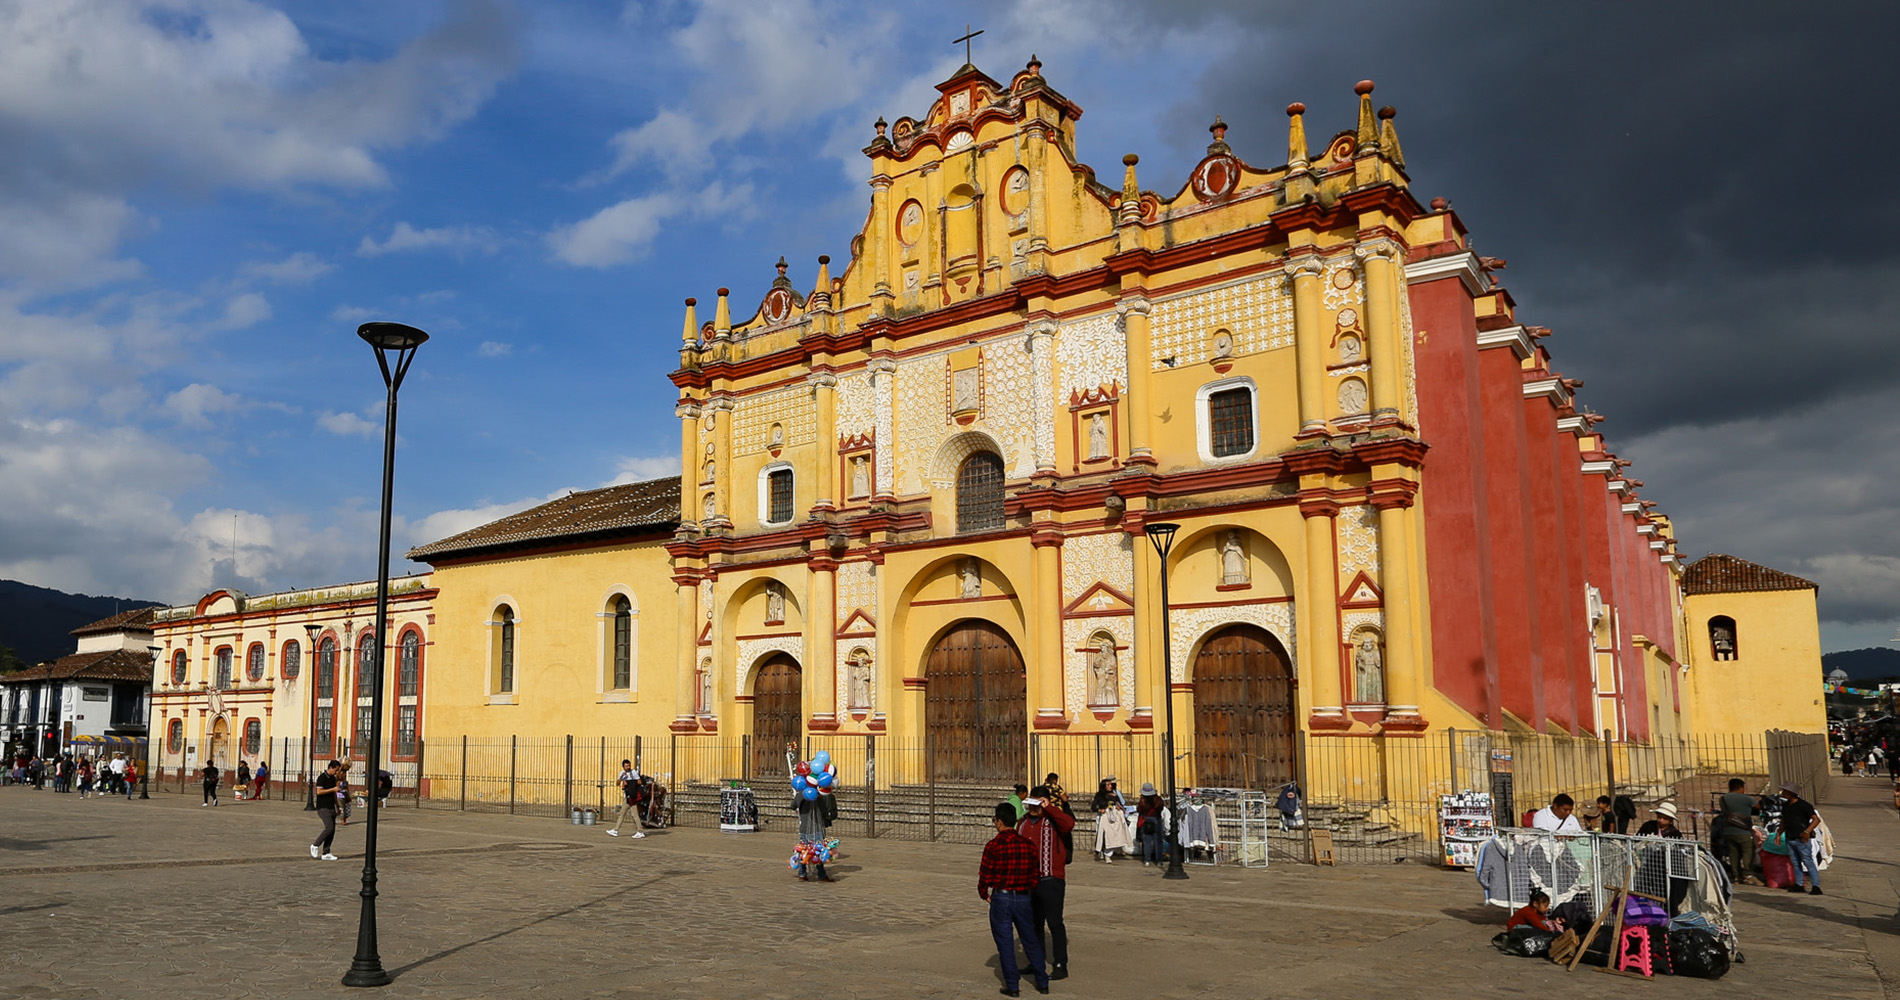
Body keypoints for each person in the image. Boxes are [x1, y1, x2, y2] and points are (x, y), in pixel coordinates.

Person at [978, 801, 1049, 997]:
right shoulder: (1028, 845)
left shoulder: (994, 846)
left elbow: (985, 874)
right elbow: (1036, 874)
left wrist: (984, 894)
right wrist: (1027, 891)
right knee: (1030, 940)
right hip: (1024, 897)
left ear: (999, 822)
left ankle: (1012, 985)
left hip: (1002, 897)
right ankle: (1042, 981)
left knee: (1005, 943)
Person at [1018, 790, 1075, 982]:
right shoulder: (1023, 822)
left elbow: (1069, 824)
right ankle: (1035, 961)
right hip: (1028, 881)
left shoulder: (1054, 820)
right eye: (1031, 804)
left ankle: (1060, 963)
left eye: (1037, 804)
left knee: (1055, 922)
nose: (1033, 808)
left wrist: (1048, 807)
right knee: (1034, 924)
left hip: (1051, 879)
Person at [1779, 783, 1822, 895]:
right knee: (1795, 862)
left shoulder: (1804, 806)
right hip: (1790, 837)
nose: (1783, 793)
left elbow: (1816, 820)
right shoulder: (1785, 806)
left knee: (1808, 861)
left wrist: (1807, 831)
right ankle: (1799, 884)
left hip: (1801, 839)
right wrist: (1779, 834)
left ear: (1791, 793)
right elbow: (1784, 820)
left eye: (1785, 791)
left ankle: (1816, 886)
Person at [1716, 778, 1760, 885]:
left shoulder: (1723, 799)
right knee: (1747, 852)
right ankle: (1748, 875)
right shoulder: (1746, 798)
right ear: (1741, 788)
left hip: (1728, 830)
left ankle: (1736, 876)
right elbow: (1757, 807)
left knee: (1733, 854)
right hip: (1743, 831)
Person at [793, 782, 838, 882]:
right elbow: (824, 812)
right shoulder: (818, 797)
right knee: (818, 852)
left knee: (803, 851)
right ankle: (821, 875)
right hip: (817, 828)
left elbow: (792, 806)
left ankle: (802, 874)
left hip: (803, 828)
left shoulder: (800, 794)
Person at [311, 760, 345, 861]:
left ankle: (326, 852)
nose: (336, 772)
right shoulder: (322, 778)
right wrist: (333, 789)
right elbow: (319, 791)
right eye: (336, 770)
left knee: (332, 830)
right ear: (331, 767)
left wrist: (337, 806)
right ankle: (315, 845)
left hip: (331, 806)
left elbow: (334, 793)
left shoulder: (332, 778)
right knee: (329, 827)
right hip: (323, 807)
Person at [606, 759, 648, 839]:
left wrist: (629, 783)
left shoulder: (634, 772)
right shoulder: (622, 773)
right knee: (623, 813)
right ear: (623, 767)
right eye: (626, 766)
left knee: (633, 814)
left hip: (632, 797)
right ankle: (616, 830)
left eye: (629, 765)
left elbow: (639, 782)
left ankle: (639, 831)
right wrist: (622, 778)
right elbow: (617, 783)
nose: (628, 767)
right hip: (627, 796)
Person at [1092, 777, 1131, 862]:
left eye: (1111, 784)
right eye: (1108, 785)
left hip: (1114, 817)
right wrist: (1100, 809)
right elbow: (1093, 807)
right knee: (1102, 834)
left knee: (1113, 835)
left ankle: (1109, 853)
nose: (1110, 786)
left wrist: (1118, 807)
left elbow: (1120, 804)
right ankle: (1101, 851)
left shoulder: (1114, 794)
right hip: (1104, 816)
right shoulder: (1099, 795)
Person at [1135, 782, 1169, 866]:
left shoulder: (1142, 801)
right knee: (1158, 841)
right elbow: (1161, 809)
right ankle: (1159, 861)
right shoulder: (1158, 800)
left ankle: (1147, 860)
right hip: (1156, 820)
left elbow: (1139, 810)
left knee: (1147, 841)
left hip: (1146, 821)